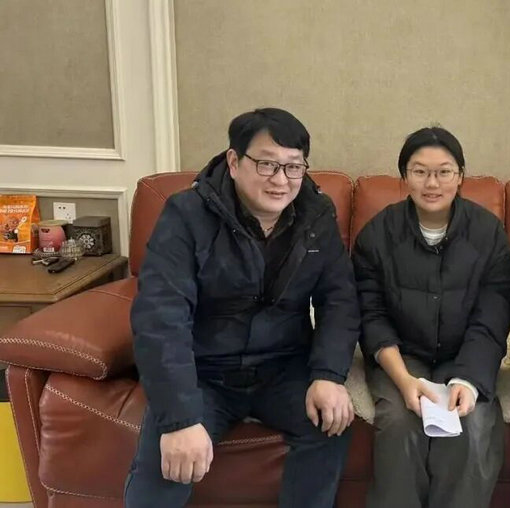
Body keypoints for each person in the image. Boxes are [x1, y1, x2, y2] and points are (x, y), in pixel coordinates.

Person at [125, 108, 360, 508]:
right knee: (166, 468)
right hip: (204, 371)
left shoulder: (316, 213)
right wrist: (180, 418)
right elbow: (161, 316)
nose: (281, 180)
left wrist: (328, 374)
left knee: (331, 424)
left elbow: (339, 298)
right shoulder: (186, 215)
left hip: (284, 367)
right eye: (267, 164)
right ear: (234, 162)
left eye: (293, 167)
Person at [352, 126, 510, 508]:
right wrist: (403, 379)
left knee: (472, 425)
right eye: (420, 171)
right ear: (404, 176)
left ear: (460, 175)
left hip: (466, 354)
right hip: (402, 354)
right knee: (398, 421)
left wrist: (469, 380)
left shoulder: (488, 233)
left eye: (444, 172)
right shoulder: (378, 234)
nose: (432, 183)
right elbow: (371, 315)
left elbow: (493, 315)